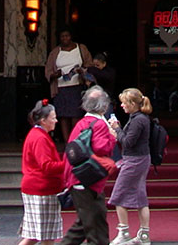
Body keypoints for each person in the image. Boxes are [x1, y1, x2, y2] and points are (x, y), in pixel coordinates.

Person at [61, 85, 118, 245]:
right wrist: (112, 137)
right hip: (87, 180)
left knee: (87, 222)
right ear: (104, 106)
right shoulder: (99, 124)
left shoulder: (81, 123)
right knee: (95, 225)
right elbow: (101, 148)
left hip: (79, 178)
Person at [108, 88, 153, 245]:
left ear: (133, 103)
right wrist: (119, 131)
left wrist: (117, 129)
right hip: (141, 158)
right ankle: (144, 234)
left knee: (119, 195)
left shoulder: (137, 120)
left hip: (134, 160)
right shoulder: (140, 118)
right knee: (140, 196)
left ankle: (124, 232)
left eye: (124, 103)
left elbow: (127, 142)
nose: (122, 106)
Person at [19, 99, 67, 245]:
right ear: (43, 120)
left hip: (37, 187)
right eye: (53, 118)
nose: (56, 121)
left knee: (37, 235)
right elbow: (47, 166)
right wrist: (66, 165)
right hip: (41, 189)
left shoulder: (37, 134)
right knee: (45, 235)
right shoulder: (40, 138)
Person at [45, 30, 93, 142]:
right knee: (63, 116)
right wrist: (54, 75)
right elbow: (48, 70)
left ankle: (75, 140)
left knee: (76, 115)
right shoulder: (55, 52)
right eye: (62, 36)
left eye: (67, 36)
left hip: (76, 87)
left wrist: (82, 72)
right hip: (61, 88)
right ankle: (68, 142)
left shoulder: (81, 48)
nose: (64, 38)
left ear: (71, 36)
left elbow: (89, 64)